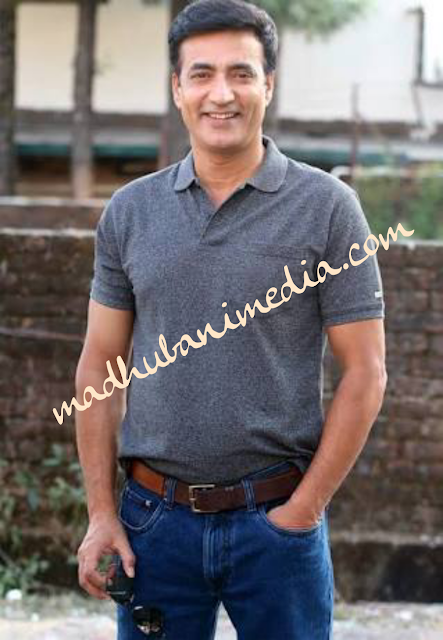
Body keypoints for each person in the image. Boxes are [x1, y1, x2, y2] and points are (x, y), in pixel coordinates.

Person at [75, 1, 387, 638]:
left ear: (268, 84)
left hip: (278, 524)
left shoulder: (329, 209)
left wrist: (303, 511)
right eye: (202, 74)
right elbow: (100, 368)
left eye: (241, 73)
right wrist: (102, 513)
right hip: (153, 525)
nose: (222, 93)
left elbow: (366, 372)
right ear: (177, 89)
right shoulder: (130, 212)